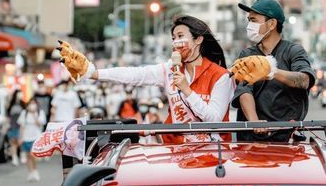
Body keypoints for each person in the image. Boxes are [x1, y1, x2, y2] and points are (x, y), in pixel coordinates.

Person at [58, 15, 234, 131]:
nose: (176, 42)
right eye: (173, 38)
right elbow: (136, 75)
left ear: (199, 39)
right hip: (176, 150)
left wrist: (187, 90)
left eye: (181, 36)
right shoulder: (169, 70)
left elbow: (215, 120)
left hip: (212, 152)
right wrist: (93, 72)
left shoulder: (220, 76)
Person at [231, 0, 315, 142]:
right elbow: (244, 90)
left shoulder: (294, 51)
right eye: (249, 20)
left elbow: (304, 80)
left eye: (254, 20)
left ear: (271, 24)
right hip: (251, 139)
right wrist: (254, 121)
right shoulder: (247, 54)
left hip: (287, 138)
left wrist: (270, 71)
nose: (249, 25)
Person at [18, 98, 47, 182]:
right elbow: (22, 126)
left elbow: (39, 124)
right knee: (27, 156)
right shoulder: (24, 113)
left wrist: (34, 114)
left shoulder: (40, 113)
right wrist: (21, 137)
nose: (32, 105)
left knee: (32, 154)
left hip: (36, 137)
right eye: (30, 103)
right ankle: (30, 172)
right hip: (26, 137)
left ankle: (35, 170)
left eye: (34, 103)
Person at [6, 90, 25, 166]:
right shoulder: (11, 105)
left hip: (21, 126)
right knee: (13, 142)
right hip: (12, 125)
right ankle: (14, 157)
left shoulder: (23, 104)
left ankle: (22, 155)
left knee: (20, 141)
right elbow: (8, 116)